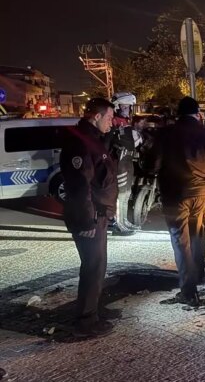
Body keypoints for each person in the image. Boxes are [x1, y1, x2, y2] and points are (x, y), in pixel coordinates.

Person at [154, 97, 205, 306]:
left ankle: (189, 291)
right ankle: (198, 275)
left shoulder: (166, 134)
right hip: (202, 195)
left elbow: (152, 163)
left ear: (178, 114)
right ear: (197, 114)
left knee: (181, 242)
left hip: (176, 196)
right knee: (197, 236)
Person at [60, 98, 118, 337]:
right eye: (109, 118)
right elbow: (80, 187)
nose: (112, 123)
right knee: (93, 267)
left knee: (97, 266)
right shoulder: (81, 144)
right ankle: (85, 322)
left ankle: (91, 313)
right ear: (96, 116)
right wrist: (86, 221)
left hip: (98, 215)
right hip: (89, 218)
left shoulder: (92, 140)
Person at [107, 91, 138, 236]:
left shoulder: (125, 122)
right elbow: (110, 143)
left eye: (129, 107)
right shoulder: (113, 122)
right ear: (117, 106)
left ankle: (124, 220)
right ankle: (118, 223)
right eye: (126, 107)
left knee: (126, 193)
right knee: (120, 194)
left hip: (127, 160)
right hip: (120, 162)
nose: (129, 110)